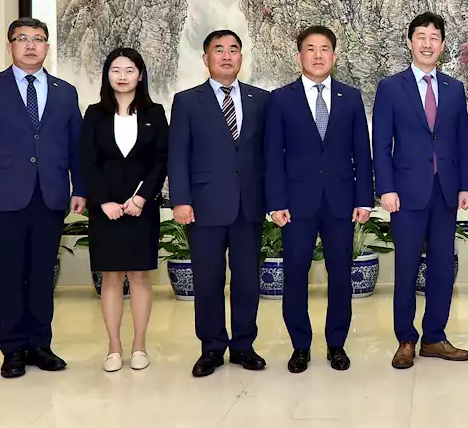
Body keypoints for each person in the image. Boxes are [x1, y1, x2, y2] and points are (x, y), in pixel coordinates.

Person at [0, 18, 85, 379]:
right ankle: (13, 348)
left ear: (47, 46)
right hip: (4, 195)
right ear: (10, 45)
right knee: (11, 274)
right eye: (23, 39)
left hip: (49, 195)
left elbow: (76, 145)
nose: (31, 45)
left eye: (38, 39)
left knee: (41, 273)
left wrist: (79, 187)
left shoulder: (65, 91)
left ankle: (40, 344)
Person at [265, 26, 374, 373]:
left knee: (340, 274)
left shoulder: (351, 97)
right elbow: (272, 156)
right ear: (299, 56)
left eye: (324, 48)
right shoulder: (281, 98)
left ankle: (336, 344)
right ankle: (300, 345)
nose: (317, 55)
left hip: (341, 202)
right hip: (296, 204)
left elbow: (362, 152)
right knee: (295, 274)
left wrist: (364, 199)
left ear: (334, 56)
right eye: (310, 49)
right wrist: (276, 201)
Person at [373, 11, 468, 369]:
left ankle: (435, 336)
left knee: (443, 268)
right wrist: (385, 188)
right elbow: (381, 143)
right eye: (421, 36)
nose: (428, 43)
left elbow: (463, 140)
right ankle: (405, 339)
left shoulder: (453, 88)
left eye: (434, 37)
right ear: (410, 42)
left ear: (443, 45)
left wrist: (466, 184)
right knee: (406, 267)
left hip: (445, 191)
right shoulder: (390, 87)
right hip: (405, 193)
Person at [169, 30, 269, 378]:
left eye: (234, 50)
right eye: (219, 50)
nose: (227, 56)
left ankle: (244, 344)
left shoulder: (261, 100)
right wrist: (180, 200)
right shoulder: (187, 101)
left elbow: (267, 157)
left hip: (249, 206)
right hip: (204, 206)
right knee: (208, 280)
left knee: (246, 280)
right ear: (206, 58)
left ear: (242, 57)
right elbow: (178, 155)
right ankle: (211, 347)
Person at [79, 48, 168, 373]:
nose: (122, 75)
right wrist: (103, 202)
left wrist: (142, 198)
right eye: (115, 70)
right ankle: (114, 347)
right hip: (106, 210)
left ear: (140, 75)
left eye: (129, 70)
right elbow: (87, 160)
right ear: (107, 75)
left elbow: (161, 159)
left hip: (141, 208)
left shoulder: (155, 112)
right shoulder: (94, 114)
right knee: (112, 278)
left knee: (141, 277)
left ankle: (139, 345)